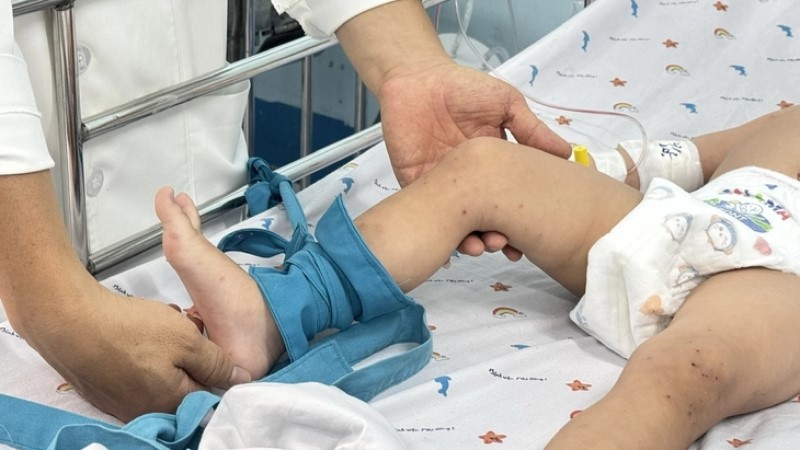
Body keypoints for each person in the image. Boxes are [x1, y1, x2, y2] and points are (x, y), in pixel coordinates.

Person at [1, 0, 569, 420]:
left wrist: (412, 67)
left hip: (203, 212)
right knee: (482, 175)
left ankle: (274, 307)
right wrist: (47, 299)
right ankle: (275, 307)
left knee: (483, 177)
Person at [156, 105, 800, 449]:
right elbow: (682, 159)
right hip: (692, 219)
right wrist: (588, 170)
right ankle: (277, 310)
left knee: (687, 370)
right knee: (484, 167)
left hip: (773, 285)